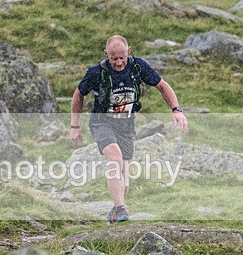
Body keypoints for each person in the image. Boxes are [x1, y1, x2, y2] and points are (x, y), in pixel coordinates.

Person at [70, 35, 188, 223]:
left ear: (129, 52)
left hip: (126, 124)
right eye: (113, 58)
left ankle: (117, 209)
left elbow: (162, 86)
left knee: (124, 168)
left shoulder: (138, 67)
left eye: (122, 57)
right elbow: (78, 95)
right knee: (114, 157)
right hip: (102, 122)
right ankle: (119, 208)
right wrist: (75, 126)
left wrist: (176, 110)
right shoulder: (96, 72)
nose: (118, 63)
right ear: (106, 55)